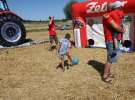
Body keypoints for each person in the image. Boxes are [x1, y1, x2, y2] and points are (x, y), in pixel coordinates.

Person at [102, 1, 126, 82]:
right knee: (110, 58)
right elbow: (116, 27)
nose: (110, 7)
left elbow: (119, 25)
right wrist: (122, 30)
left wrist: (121, 30)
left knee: (112, 57)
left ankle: (108, 73)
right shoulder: (107, 15)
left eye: (111, 6)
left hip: (113, 39)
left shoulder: (112, 14)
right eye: (109, 6)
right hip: (110, 39)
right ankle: (105, 76)